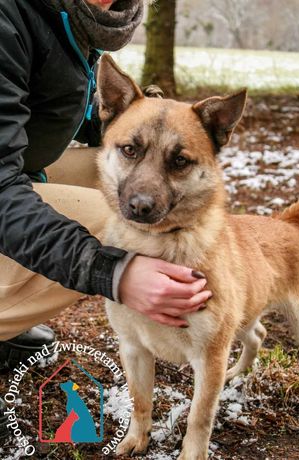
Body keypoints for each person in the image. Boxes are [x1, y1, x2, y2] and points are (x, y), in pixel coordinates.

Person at [0, 0, 212, 439]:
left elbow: (81, 121)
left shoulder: (80, 22)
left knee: (119, 173)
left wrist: (157, 122)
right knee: (112, 214)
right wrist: (112, 271)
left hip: (14, 172)